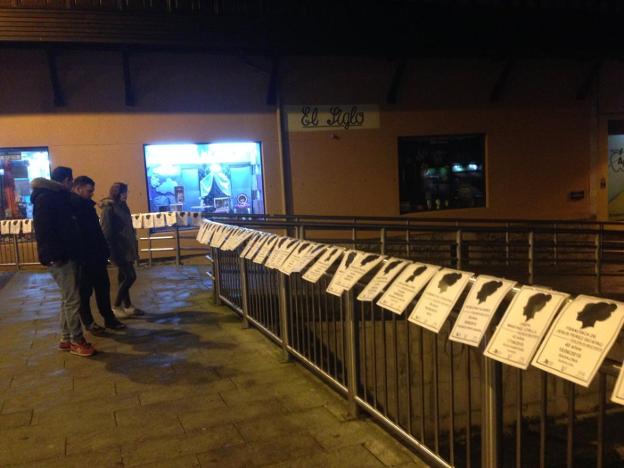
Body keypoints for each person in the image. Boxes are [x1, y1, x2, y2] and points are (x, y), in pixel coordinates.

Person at [31, 166, 95, 357]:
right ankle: (76, 340)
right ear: (66, 181)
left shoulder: (49, 197)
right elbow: (52, 231)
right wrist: (60, 254)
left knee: (67, 298)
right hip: (60, 256)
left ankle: (66, 339)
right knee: (73, 299)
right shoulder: (50, 199)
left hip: (59, 254)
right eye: (71, 180)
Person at [71, 176, 127, 333]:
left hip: (97, 256)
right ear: (78, 188)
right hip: (85, 257)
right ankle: (89, 322)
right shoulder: (73, 207)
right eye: (89, 190)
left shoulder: (86, 206)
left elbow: (96, 231)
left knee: (103, 288)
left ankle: (109, 318)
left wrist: (103, 251)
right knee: (85, 292)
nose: (92, 193)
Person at [100, 182, 141, 318]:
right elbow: (106, 231)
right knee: (130, 276)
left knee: (123, 276)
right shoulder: (109, 208)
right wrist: (110, 249)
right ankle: (116, 305)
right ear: (116, 192)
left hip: (127, 246)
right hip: (118, 248)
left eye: (126, 192)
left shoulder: (123, 206)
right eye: (123, 192)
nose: (126, 195)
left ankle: (128, 305)